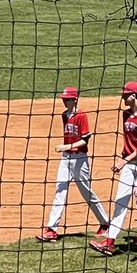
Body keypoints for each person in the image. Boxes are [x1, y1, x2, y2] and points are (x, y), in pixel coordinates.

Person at [89, 81, 137, 255]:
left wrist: (124, 160)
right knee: (120, 202)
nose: (122, 96)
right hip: (130, 165)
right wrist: (124, 159)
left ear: (133, 96)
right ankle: (109, 243)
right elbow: (130, 143)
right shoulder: (126, 115)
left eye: (125, 94)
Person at [40, 87, 110, 242]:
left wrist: (67, 147)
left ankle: (105, 223)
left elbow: (85, 139)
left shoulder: (81, 115)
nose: (64, 101)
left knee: (86, 192)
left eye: (67, 99)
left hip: (79, 159)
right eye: (63, 99)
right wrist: (66, 150)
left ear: (74, 100)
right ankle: (52, 229)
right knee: (60, 191)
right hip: (66, 159)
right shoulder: (64, 115)